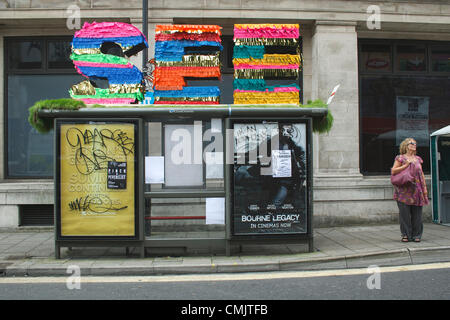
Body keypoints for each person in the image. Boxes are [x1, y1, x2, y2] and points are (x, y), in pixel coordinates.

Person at [391, 138, 429, 243]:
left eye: (415, 143)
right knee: (405, 215)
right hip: (403, 191)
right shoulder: (400, 158)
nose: (414, 144)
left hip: (417, 190)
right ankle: (406, 235)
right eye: (411, 143)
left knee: (417, 215)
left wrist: (424, 188)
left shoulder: (418, 159)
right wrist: (406, 165)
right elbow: (393, 171)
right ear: (405, 146)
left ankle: (417, 235)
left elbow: (421, 174)